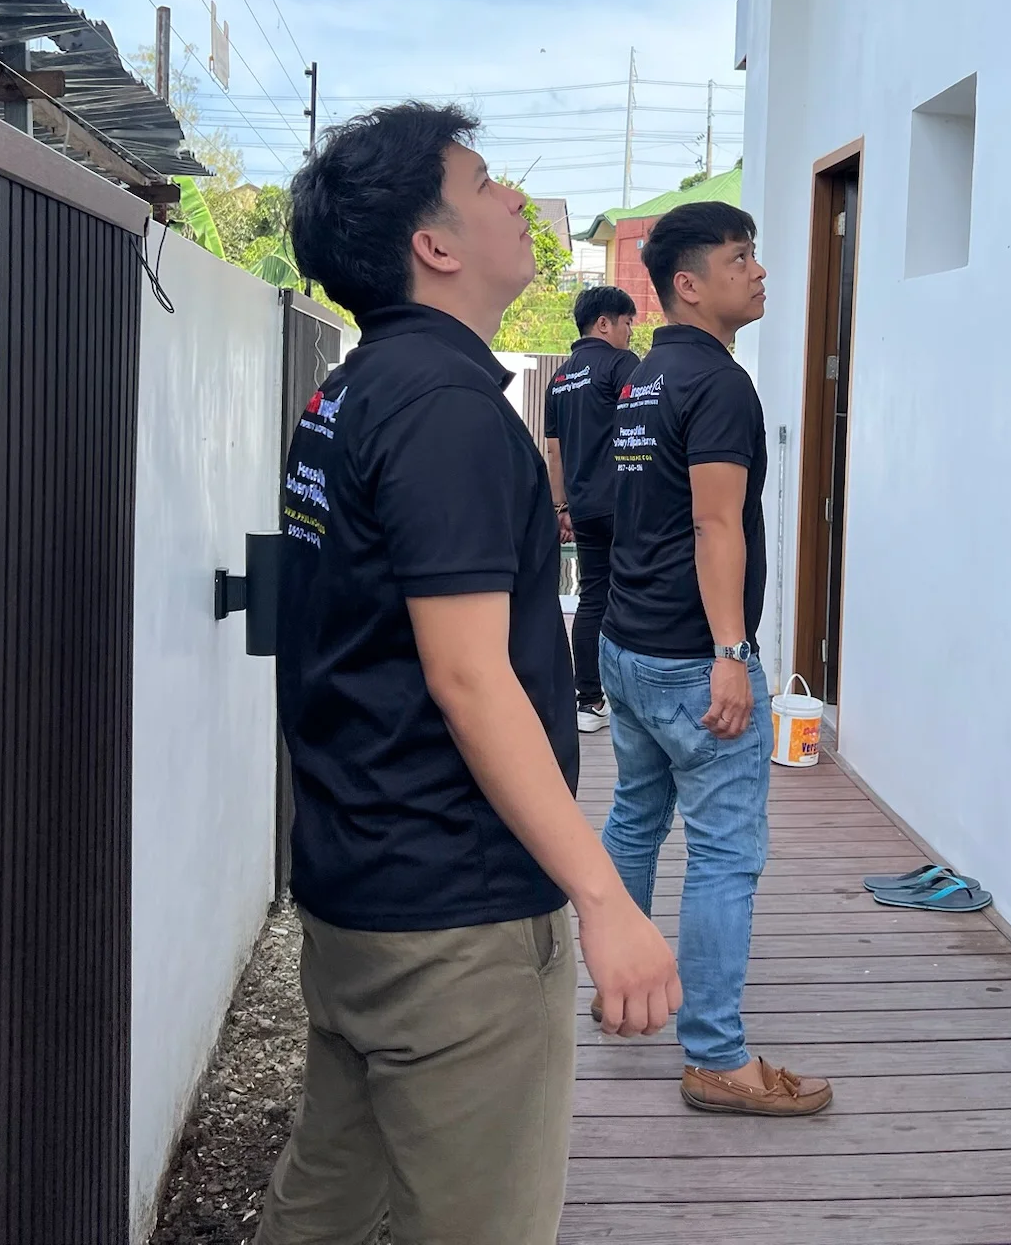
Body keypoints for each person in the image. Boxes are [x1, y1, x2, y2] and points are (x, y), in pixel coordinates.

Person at [260, 103, 681, 1245]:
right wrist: (606, 901)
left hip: (359, 883)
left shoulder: (349, 392)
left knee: (325, 1202)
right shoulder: (445, 410)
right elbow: (468, 679)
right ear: (433, 244)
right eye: (487, 182)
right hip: (456, 922)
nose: (515, 200)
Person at [596, 201, 833, 1117]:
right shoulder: (721, 386)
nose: (759, 271)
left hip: (629, 645)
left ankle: (619, 991)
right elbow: (713, 523)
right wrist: (731, 652)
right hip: (694, 660)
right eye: (740, 259)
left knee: (636, 818)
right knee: (726, 854)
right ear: (689, 285)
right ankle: (717, 1056)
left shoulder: (645, 377)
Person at [544, 284, 640, 734]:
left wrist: (561, 506)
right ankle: (634, 701)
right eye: (627, 323)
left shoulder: (559, 379)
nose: (630, 332)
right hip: (625, 503)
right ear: (604, 323)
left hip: (583, 508)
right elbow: (643, 426)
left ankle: (588, 701)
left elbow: (554, 453)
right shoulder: (622, 365)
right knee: (636, 593)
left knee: (593, 597)